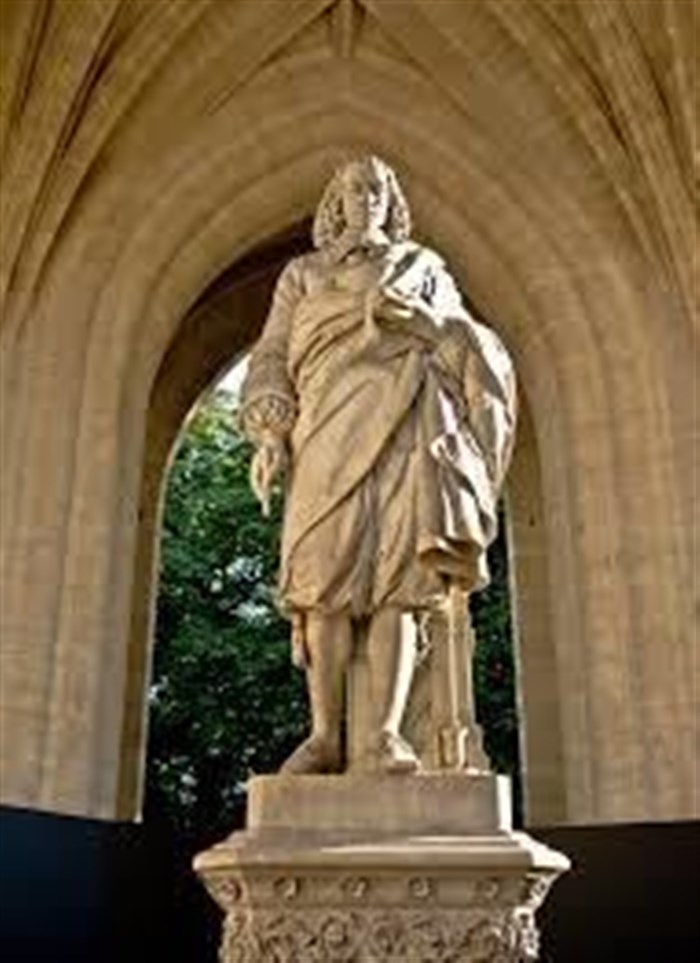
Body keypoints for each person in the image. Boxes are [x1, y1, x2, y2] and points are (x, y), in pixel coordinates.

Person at [240, 156, 516, 775]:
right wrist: (269, 430)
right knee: (321, 581)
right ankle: (324, 736)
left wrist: (427, 324)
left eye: (376, 189)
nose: (366, 198)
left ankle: (387, 736)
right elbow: (272, 355)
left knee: (399, 583)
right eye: (355, 189)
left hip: (405, 428)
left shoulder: (424, 268)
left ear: (391, 201)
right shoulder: (303, 275)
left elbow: (465, 341)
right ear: (336, 201)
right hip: (324, 432)